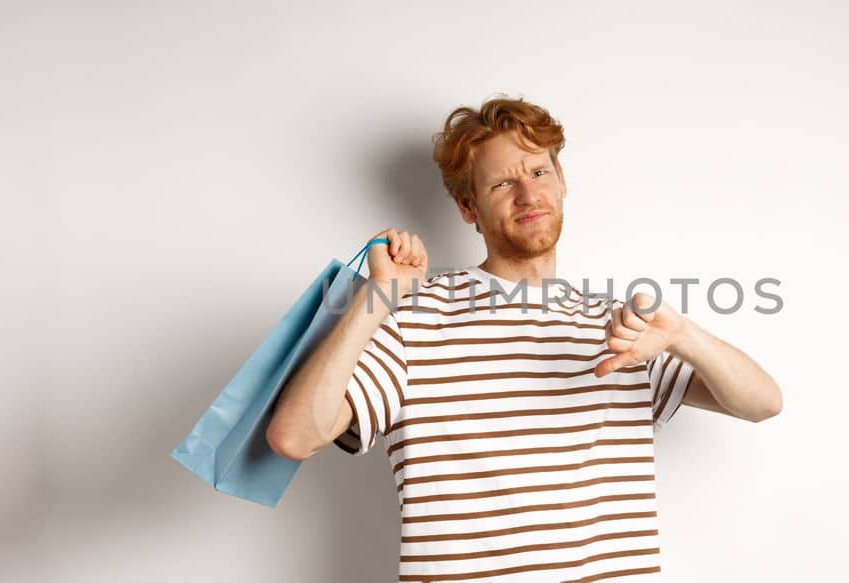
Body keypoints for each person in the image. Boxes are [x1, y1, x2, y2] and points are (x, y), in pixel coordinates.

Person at [267, 95, 782, 582]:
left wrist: (686, 335)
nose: (529, 194)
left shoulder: (623, 327)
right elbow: (293, 437)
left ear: (561, 181)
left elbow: (762, 403)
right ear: (467, 208)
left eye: (539, 172)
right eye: (501, 184)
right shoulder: (414, 319)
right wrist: (376, 298)